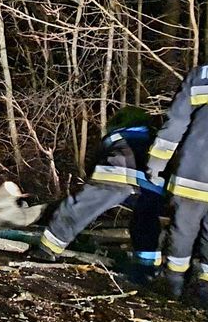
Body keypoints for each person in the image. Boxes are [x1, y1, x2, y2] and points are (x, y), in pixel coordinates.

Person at [145, 17, 208, 314]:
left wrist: (157, 162)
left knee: (183, 231)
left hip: (193, 175)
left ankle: (172, 288)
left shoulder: (201, 75)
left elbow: (176, 124)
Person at [33, 106, 164, 281]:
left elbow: (94, 163)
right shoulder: (153, 138)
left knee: (81, 207)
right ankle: (147, 269)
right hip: (150, 184)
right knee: (146, 222)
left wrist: (91, 180)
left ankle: (47, 249)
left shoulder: (115, 137)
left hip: (116, 174)